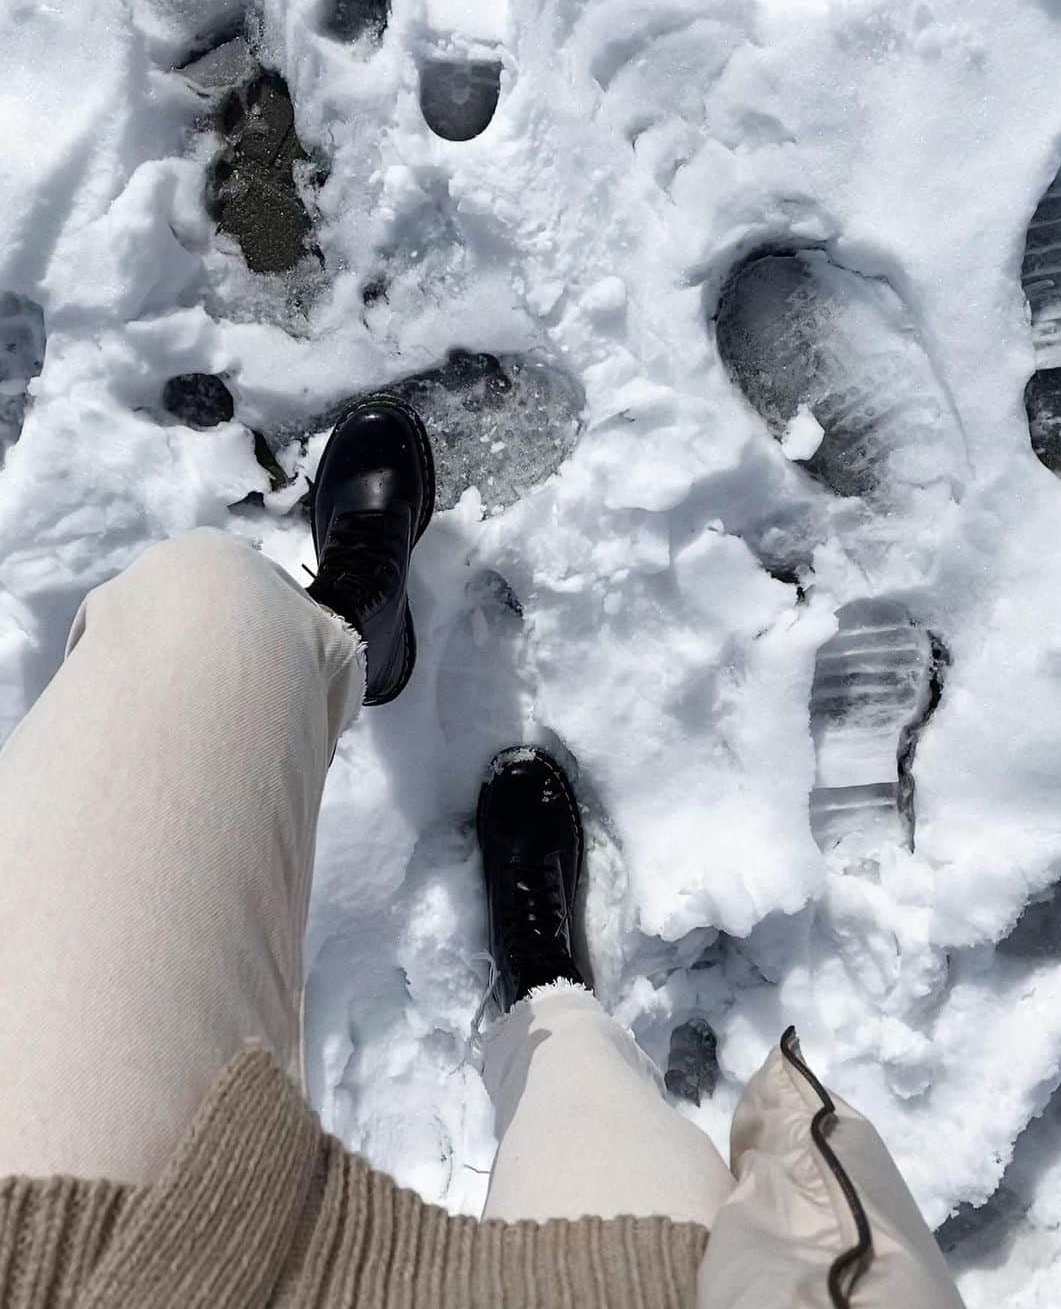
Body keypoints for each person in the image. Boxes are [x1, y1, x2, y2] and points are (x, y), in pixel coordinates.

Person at [0, 396, 964, 1308]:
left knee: (199, 609)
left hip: (76, 1258)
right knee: (579, 1075)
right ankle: (544, 985)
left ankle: (347, 626)